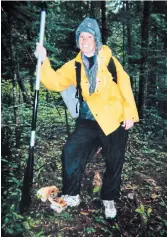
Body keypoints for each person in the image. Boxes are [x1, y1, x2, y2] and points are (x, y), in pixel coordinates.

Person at [34, 17, 139, 219]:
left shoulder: (109, 60)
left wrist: (129, 114)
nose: (85, 40)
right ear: (78, 40)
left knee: (114, 161)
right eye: (81, 36)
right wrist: (44, 60)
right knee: (71, 151)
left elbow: (125, 84)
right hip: (88, 120)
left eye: (89, 36)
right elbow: (54, 82)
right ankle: (72, 194)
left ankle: (109, 198)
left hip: (113, 119)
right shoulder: (74, 66)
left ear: (96, 40)